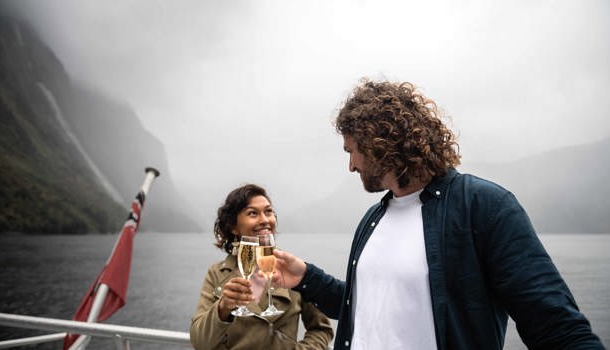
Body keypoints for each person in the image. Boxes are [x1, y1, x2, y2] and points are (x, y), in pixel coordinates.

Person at [271, 79, 604, 349]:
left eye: (352, 151)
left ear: (378, 140)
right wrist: (306, 278)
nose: (351, 165)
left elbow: (555, 327)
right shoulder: (373, 220)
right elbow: (366, 304)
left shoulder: (484, 207)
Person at [189, 184, 334, 350]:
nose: (265, 220)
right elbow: (200, 343)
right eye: (253, 213)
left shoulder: (293, 269)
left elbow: (321, 328)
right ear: (233, 227)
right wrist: (222, 308)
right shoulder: (216, 274)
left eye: (268, 211)